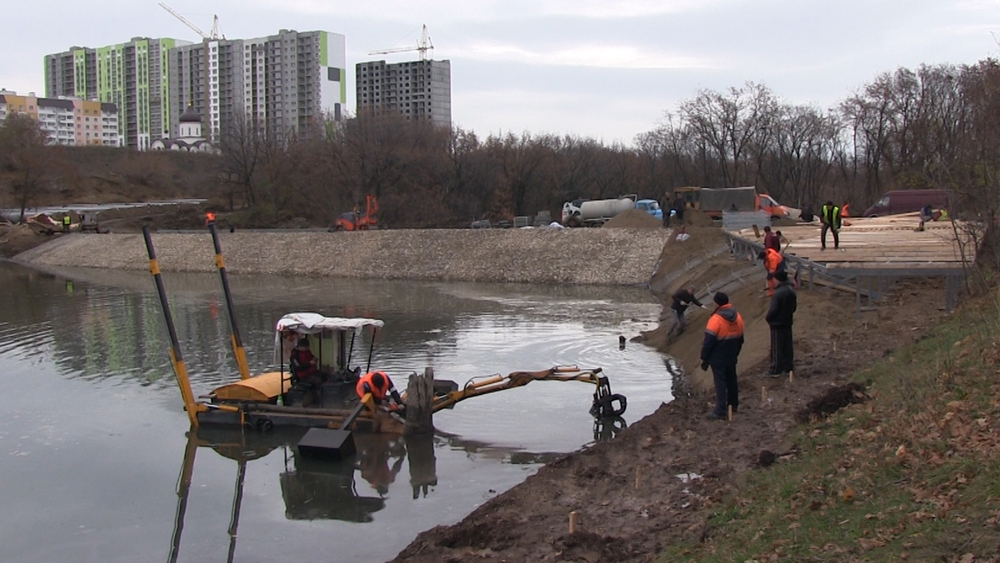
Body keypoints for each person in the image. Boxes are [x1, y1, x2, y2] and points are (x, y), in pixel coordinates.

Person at [700, 292, 745, 420]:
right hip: (731, 355)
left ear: (717, 303)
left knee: (720, 383)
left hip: (718, 357)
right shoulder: (738, 317)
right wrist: (735, 352)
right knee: (732, 380)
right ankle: (733, 404)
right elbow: (741, 338)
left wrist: (704, 358)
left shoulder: (716, 319)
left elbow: (708, 341)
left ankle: (720, 411)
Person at [764, 270, 797, 377]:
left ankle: (776, 368)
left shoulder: (778, 293)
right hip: (787, 321)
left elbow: (773, 309)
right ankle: (788, 366)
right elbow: (794, 307)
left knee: (777, 347)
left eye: (774, 278)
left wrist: (769, 318)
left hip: (777, 324)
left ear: (778, 279)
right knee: (787, 345)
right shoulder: (790, 291)